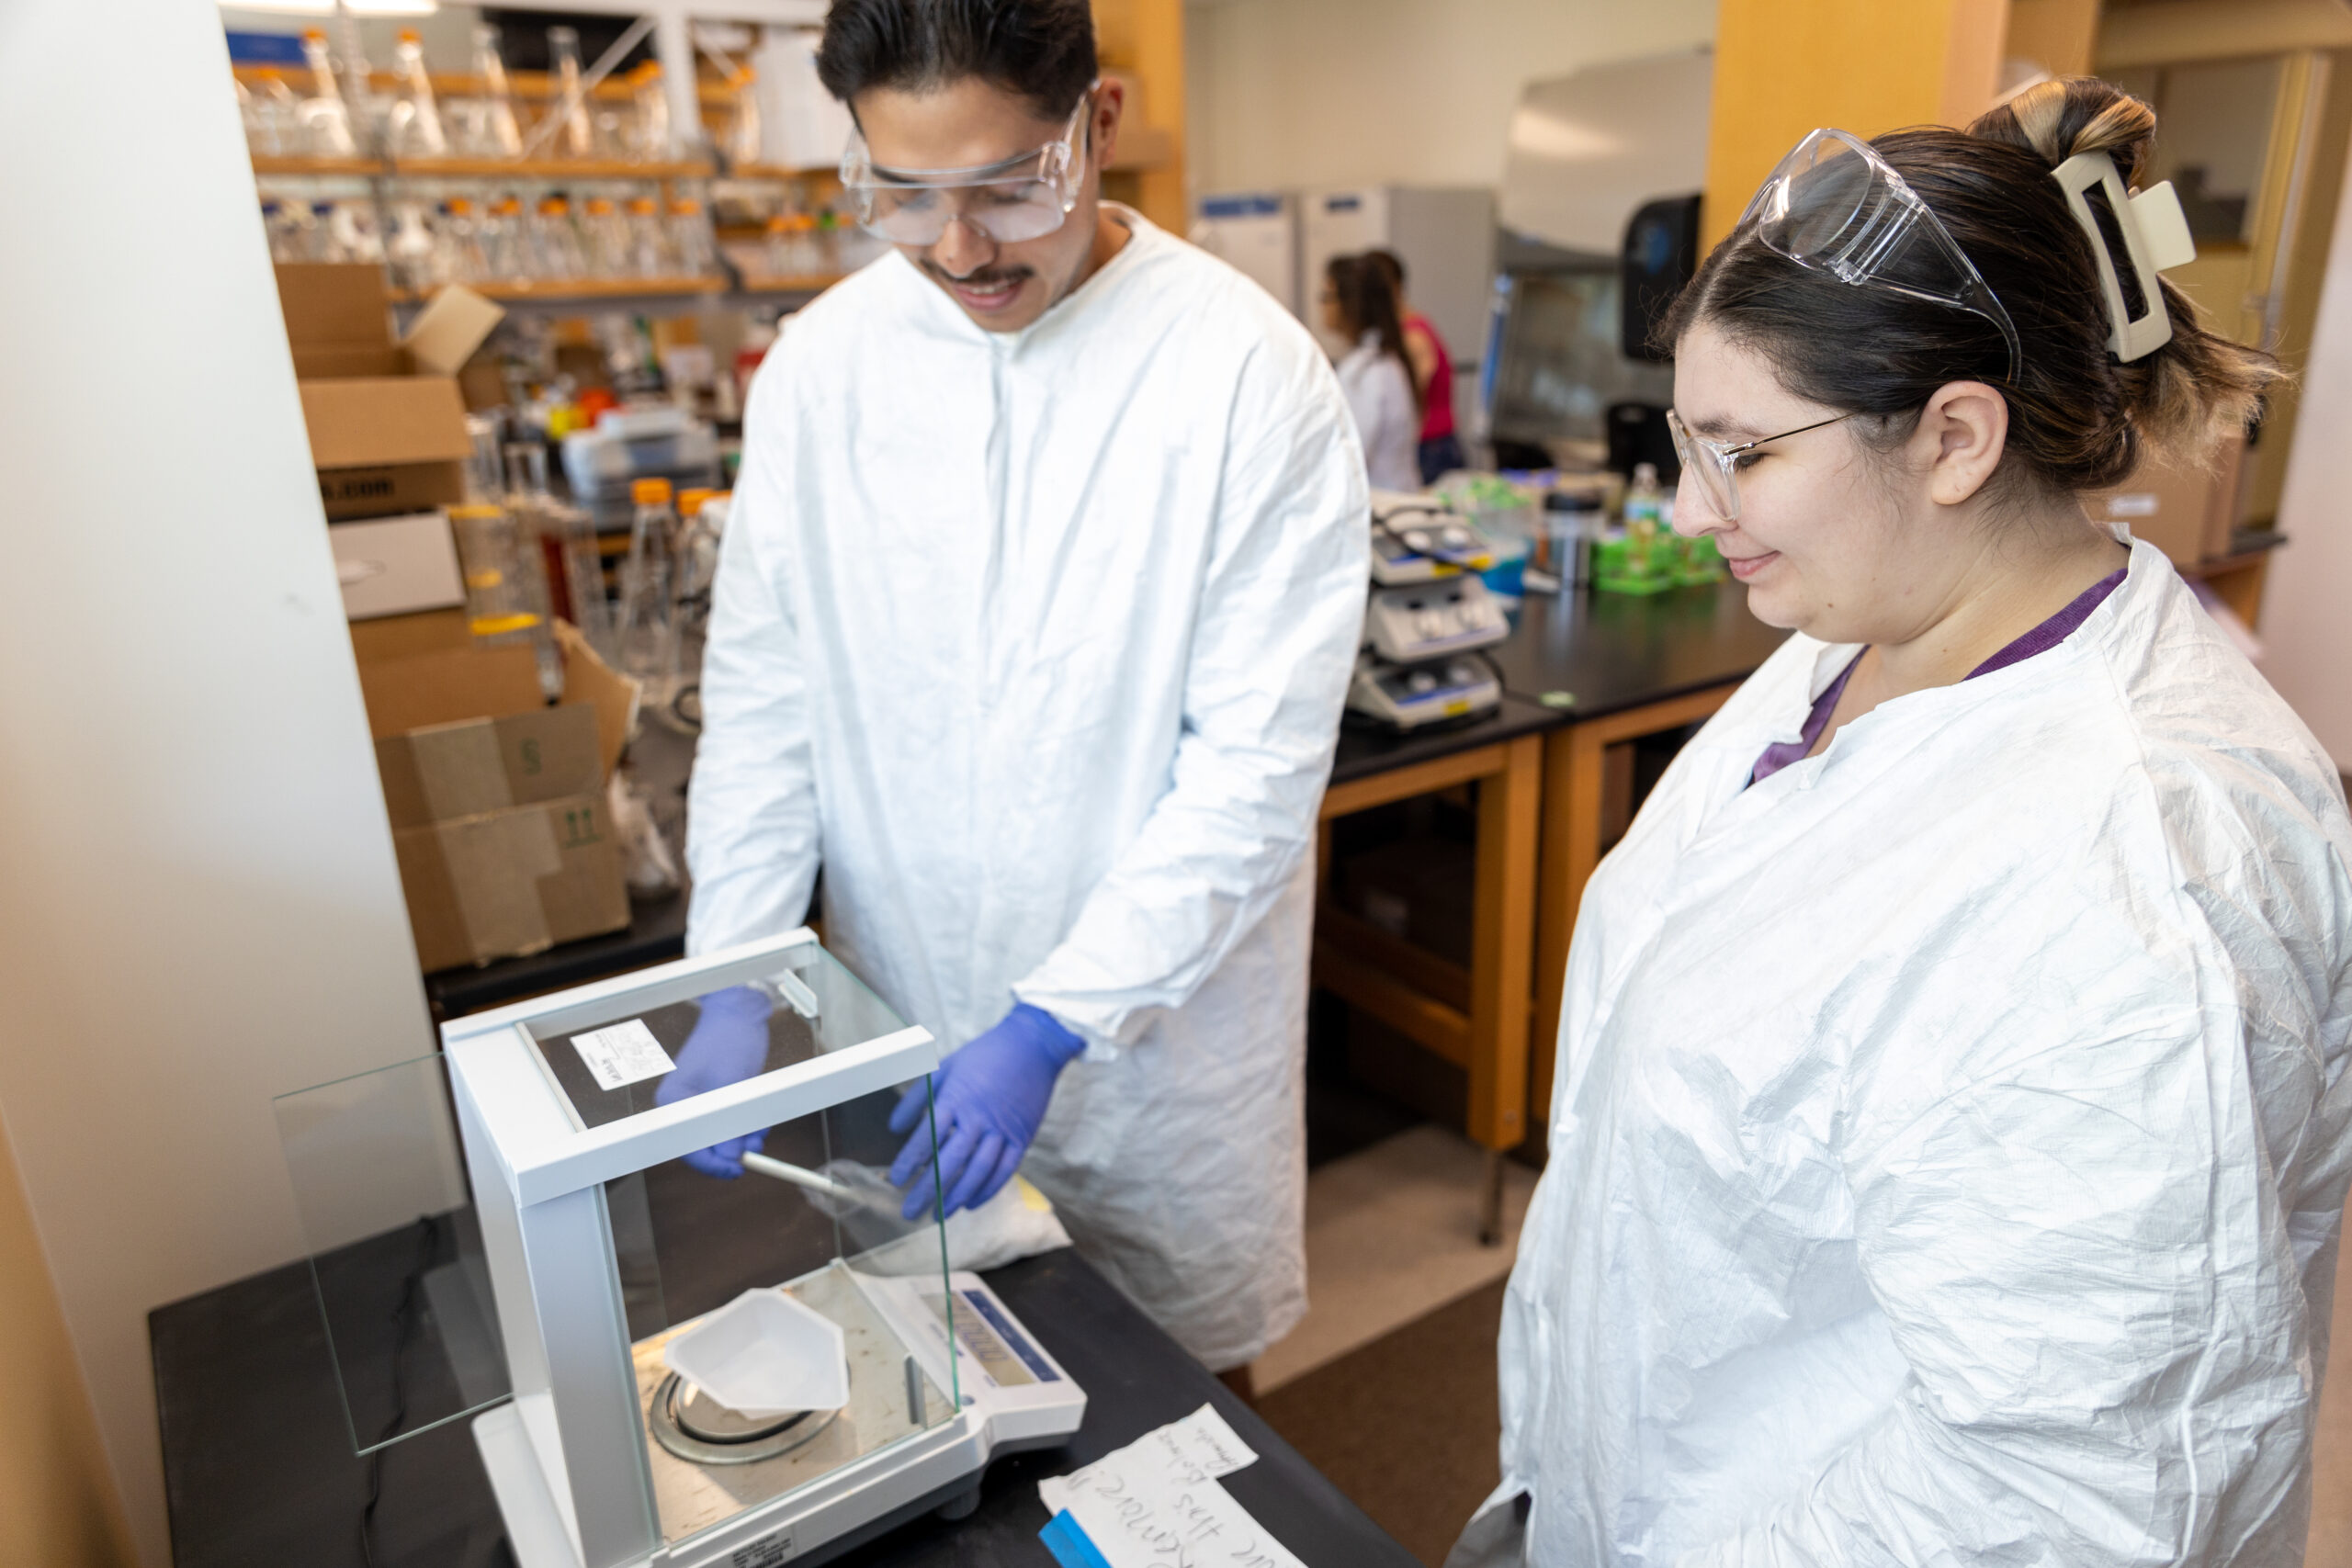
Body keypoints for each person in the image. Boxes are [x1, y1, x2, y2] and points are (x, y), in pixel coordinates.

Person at [1457, 79, 2352, 1567]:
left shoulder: (2137, 866)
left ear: (1953, 437)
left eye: (1745, 451)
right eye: (1692, 441)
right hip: (1656, 1472)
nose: (1696, 506)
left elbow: (2066, 1494)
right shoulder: (1855, 638)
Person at [669, 0, 1368, 1384]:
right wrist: (736, 971)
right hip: (907, 1009)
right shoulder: (822, 370)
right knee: (945, 1396)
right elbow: (764, 693)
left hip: (1161, 1058)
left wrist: (1055, 1021)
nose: (959, 249)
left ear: (1098, 124)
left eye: (1006, 185)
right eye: (904, 195)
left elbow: (1255, 772)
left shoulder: (1245, 375)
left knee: (1180, 1416)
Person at [1321, 253, 1421, 493]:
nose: (1322, 306)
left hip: (1383, 501)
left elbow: (1351, 454)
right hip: (1393, 496)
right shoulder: (1382, 360)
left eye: (1327, 297)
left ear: (1350, 302)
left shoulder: (1366, 371)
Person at [1364, 247, 1463, 483]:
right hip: (1425, 447)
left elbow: (1409, 403)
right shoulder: (1396, 334)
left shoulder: (1413, 336)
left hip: (1431, 449)